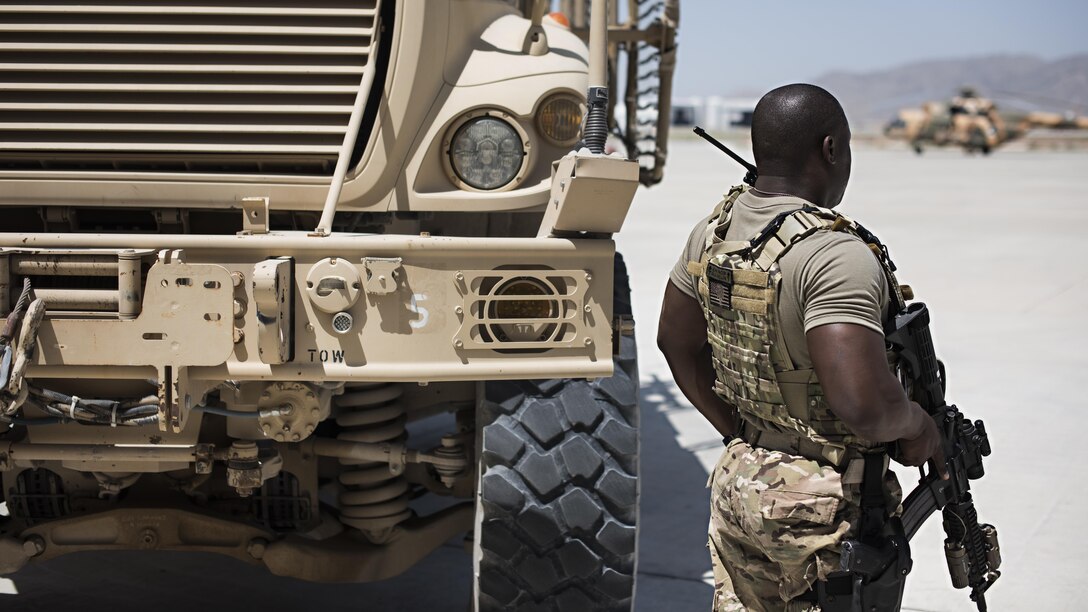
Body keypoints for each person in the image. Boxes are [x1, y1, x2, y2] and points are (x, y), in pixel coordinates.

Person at [656, 84, 946, 611]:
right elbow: (866, 407)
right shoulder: (835, 256)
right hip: (824, 514)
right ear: (831, 148)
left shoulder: (712, 232)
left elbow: (675, 344)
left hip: (741, 482)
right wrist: (918, 425)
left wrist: (743, 433)